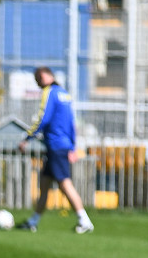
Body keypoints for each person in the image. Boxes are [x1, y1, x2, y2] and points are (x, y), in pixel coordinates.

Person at [16, 66, 94, 234]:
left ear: (47, 77)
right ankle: (33, 221)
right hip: (61, 145)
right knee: (44, 184)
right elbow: (71, 123)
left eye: (39, 78)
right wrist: (72, 146)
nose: (39, 81)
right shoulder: (64, 94)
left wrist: (27, 138)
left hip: (56, 145)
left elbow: (43, 118)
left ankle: (84, 220)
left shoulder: (50, 92)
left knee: (65, 184)